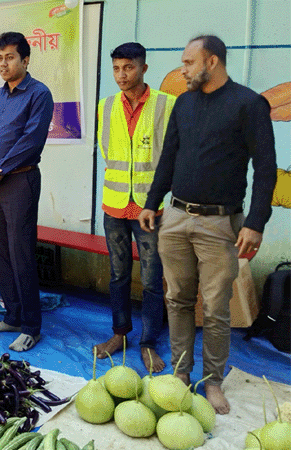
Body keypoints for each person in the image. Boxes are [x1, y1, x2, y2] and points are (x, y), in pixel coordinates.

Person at [139, 35, 276, 414]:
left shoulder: (248, 104)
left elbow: (265, 169)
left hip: (220, 224)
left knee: (216, 308)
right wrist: (153, 203)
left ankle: (213, 381)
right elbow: (168, 157)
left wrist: (255, 222)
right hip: (177, 217)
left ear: (211, 61)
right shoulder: (183, 103)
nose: (182, 69)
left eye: (188, 62)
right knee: (178, 299)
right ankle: (182, 374)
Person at [94, 43, 175, 373]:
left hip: (149, 210)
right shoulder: (106, 105)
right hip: (114, 205)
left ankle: (149, 342)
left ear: (143, 68)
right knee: (118, 275)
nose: (121, 75)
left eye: (128, 67)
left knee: (153, 279)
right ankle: (120, 334)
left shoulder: (167, 105)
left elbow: (172, 156)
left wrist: (155, 199)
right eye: (116, 68)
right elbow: (106, 149)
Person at [0, 31, 54, 352]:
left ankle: (32, 327)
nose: (3, 64)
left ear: (25, 59)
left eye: (9, 57)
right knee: (1, 252)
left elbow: (31, 141)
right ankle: (12, 315)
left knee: (21, 254)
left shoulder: (39, 95)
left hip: (19, 182)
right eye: (0, 58)